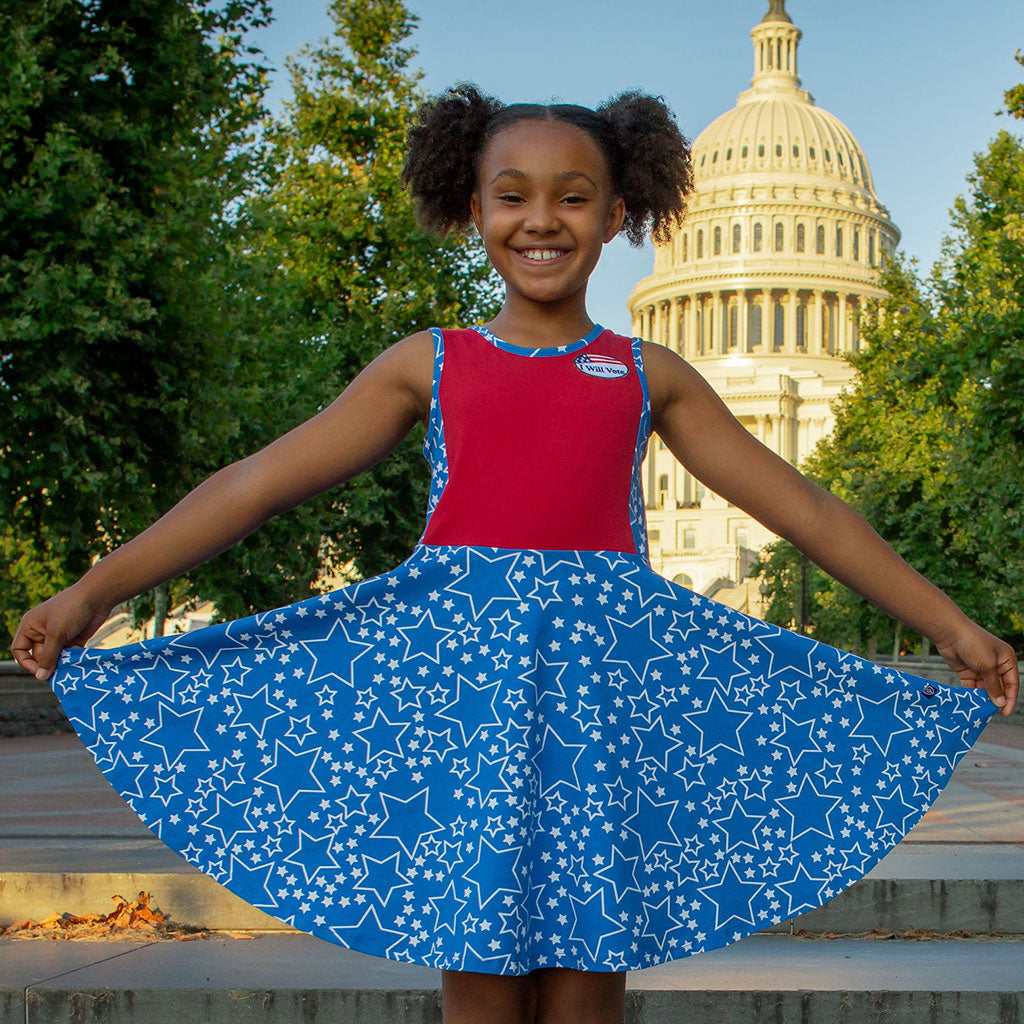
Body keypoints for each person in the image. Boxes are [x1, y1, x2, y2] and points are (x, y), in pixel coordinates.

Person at [12, 83, 1019, 1024]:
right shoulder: (431, 362)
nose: (541, 219)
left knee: (586, 996)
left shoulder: (644, 373)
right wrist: (95, 590)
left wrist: (949, 624)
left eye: (572, 197)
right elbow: (254, 486)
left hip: (594, 725)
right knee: (482, 996)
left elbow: (806, 509)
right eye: (512, 196)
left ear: (619, 212)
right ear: (471, 207)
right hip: (469, 730)